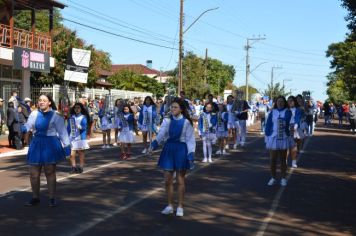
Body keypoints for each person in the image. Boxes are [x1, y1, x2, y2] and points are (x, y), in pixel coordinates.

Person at [21, 94, 71, 207]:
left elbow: (62, 132)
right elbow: (29, 125)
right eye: (40, 100)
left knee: (50, 172)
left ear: (49, 102)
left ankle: (52, 198)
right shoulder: (34, 114)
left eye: (44, 100)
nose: (41, 102)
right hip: (37, 143)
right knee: (34, 173)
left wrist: (67, 146)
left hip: (50, 144)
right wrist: (25, 127)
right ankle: (35, 197)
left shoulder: (56, 116)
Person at [149, 98, 196, 217]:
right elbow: (161, 134)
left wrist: (191, 153)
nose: (173, 109)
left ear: (181, 109)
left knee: (180, 180)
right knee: (168, 180)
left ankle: (180, 206)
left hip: (181, 150)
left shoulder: (186, 122)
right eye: (172, 107)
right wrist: (154, 144)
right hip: (169, 149)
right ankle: (170, 205)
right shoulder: (167, 121)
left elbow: (190, 140)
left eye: (175, 107)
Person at [265, 96, 292, 186]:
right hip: (273, 137)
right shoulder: (272, 112)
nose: (280, 103)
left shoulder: (287, 112)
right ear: (276, 103)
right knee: (272, 159)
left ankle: (283, 178)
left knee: (283, 159)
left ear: (284, 103)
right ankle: (273, 177)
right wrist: (267, 134)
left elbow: (288, 120)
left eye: (282, 101)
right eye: (278, 101)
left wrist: (283, 120)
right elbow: (268, 123)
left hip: (283, 137)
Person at [67, 103, 90, 174]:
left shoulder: (83, 117)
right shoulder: (71, 117)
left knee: (81, 153)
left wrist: (79, 127)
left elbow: (84, 127)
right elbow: (68, 128)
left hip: (80, 137)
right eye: (75, 108)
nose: (76, 109)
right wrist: (66, 136)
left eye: (78, 108)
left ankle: (81, 167)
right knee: (71, 154)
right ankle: (73, 167)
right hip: (72, 137)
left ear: (81, 109)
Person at [287, 96, 301, 168]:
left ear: (294, 101)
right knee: (285, 146)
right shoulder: (285, 109)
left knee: (293, 146)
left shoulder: (297, 109)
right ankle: (285, 161)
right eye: (288, 101)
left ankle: (293, 162)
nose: (290, 102)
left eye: (291, 100)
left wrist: (295, 126)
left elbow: (297, 119)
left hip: (293, 127)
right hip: (285, 128)